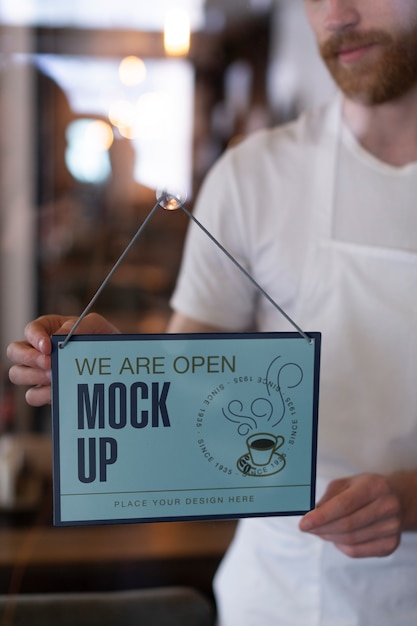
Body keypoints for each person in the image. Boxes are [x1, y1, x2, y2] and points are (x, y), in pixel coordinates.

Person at [7, 0, 417, 623]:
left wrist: (409, 500)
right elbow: (195, 400)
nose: (335, 14)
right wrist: (124, 374)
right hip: (274, 594)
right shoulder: (253, 175)